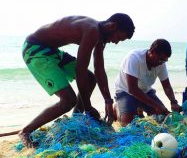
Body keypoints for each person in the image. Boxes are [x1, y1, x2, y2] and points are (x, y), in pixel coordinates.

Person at [19, 13, 135, 147]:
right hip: (35, 49)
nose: (116, 42)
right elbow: (80, 71)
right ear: (112, 26)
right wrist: (88, 107)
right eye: (118, 38)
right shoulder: (92, 30)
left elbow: (99, 69)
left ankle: (76, 118)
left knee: (91, 78)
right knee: (68, 100)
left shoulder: (100, 36)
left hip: (52, 50)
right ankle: (26, 131)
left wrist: (108, 101)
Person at [114, 39, 181, 126]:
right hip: (126, 91)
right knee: (128, 124)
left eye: (164, 61)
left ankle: (138, 108)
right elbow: (132, 89)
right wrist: (156, 105)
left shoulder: (161, 64)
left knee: (161, 118)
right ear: (152, 52)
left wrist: (173, 102)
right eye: (160, 59)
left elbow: (167, 86)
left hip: (145, 91)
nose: (161, 63)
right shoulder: (134, 58)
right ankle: (116, 107)